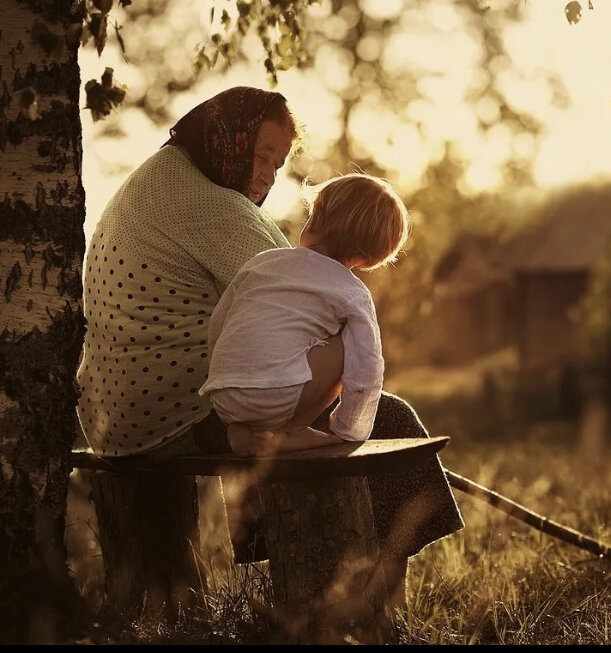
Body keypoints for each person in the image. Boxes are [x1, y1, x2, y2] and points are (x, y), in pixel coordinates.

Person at [76, 86, 463, 608]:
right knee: (387, 418)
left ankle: (343, 582)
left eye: (277, 165)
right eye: (260, 156)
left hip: (114, 413)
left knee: (283, 389)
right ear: (228, 139)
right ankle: (370, 602)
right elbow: (308, 295)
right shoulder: (212, 207)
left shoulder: (162, 177)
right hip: (174, 416)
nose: (266, 176)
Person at [200, 173, 411, 457]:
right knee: (348, 344)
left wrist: (224, 374)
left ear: (314, 219)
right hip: (277, 398)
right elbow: (367, 367)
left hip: (223, 395)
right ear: (367, 258)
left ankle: (244, 432)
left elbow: (218, 324)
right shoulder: (352, 291)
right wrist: (350, 430)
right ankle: (291, 429)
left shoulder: (260, 263)